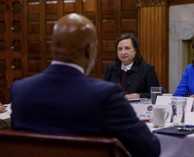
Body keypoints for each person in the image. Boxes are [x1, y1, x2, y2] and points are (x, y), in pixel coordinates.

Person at [10, 13, 160, 157]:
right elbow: (150, 148)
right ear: (89, 50)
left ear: (53, 47)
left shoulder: (20, 90)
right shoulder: (106, 95)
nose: (123, 52)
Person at [104, 33, 160, 99]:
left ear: (135, 50)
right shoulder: (111, 68)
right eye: (120, 49)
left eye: (127, 48)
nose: (123, 52)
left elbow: (157, 95)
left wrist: (138, 95)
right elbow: (104, 92)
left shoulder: (147, 69)